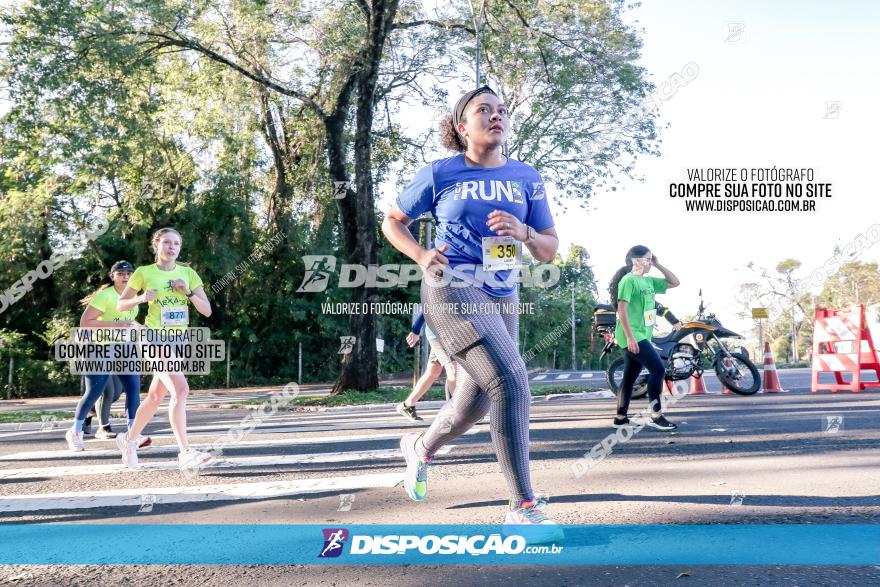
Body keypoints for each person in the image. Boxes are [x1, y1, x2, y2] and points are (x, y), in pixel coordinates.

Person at [381, 85, 561, 540]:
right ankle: (523, 506)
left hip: (502, 291)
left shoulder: (527, 176)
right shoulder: (441, 173)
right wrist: (421, 255)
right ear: (463, 127)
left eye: (501, 110)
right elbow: (392, 220)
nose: (495, 116)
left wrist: (524, 232)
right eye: (484, 110)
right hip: (451, 284)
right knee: (511, 380)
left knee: (476, 400)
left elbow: (549, 250)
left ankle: (421, 447)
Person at [115, 228, 212, 471]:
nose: (172, 247)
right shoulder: (144, 273)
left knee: (156, 397)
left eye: (176, 244)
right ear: (156, 245)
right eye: (167, 242)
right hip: (153, 338)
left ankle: (128, 441)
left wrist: (187, 292)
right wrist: (141, 298)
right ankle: (185, 452)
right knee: (181, 389)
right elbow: (121, 304)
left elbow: (207, 310)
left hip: (177, 340)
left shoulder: (188, 273)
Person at [65, 261, 149, 452]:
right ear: (112, 276)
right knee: (93, 392)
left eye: (129, 273)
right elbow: (85, 322)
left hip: (124, 349)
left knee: (133, 389)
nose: (125, 277)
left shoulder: (133, 296)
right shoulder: (105, 295)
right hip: (99, 349)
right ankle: (76, 431)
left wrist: (139, 327)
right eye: (120, 273)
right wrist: (114, 325)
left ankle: (132, 434)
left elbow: (128, 320)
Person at [608, 245, 681, 431]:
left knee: (630, 376)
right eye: (648, 258)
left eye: (650, 258)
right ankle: (656, 415)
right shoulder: (628, 281)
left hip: (643, 334)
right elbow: (622, 311)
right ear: (636, 261)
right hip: (631, 333)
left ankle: (620, 417)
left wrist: (658, 264)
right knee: (658, 369)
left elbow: (675, 282)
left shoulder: (648, 281)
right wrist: (631, 338)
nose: (650, 261)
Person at [396, 304, 458, 422]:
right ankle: (460, 410)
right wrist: (415, 330)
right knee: (452, 370)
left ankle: (408, 405)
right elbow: (428, 305)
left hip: (451, 333)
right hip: (438, 335)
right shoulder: (440, 286)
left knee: (433, 371)